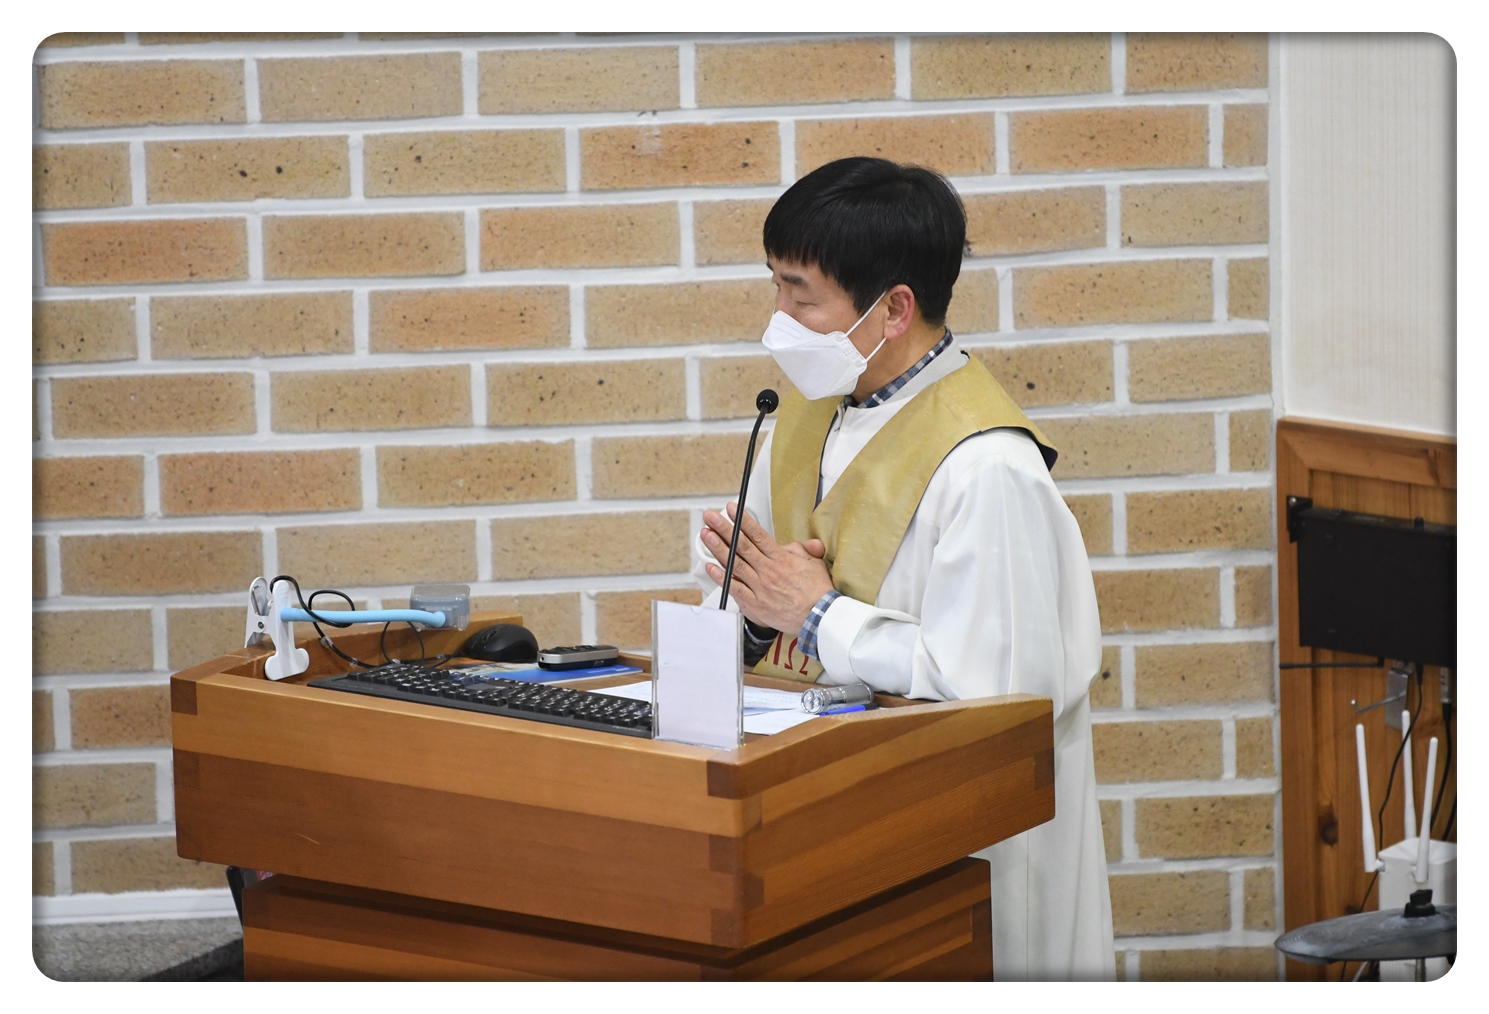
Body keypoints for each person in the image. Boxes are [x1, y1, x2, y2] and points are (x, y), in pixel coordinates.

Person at [690, 156, 1115, 981]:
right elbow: (765, 599)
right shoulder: (804, 418)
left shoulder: (985, 465)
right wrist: (751, 612)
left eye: (800, 296)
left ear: (892, 309)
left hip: (969, 842)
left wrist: (817, 615)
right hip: (827, 806)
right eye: (774, 286)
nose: (778, 319)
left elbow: (998, 695)